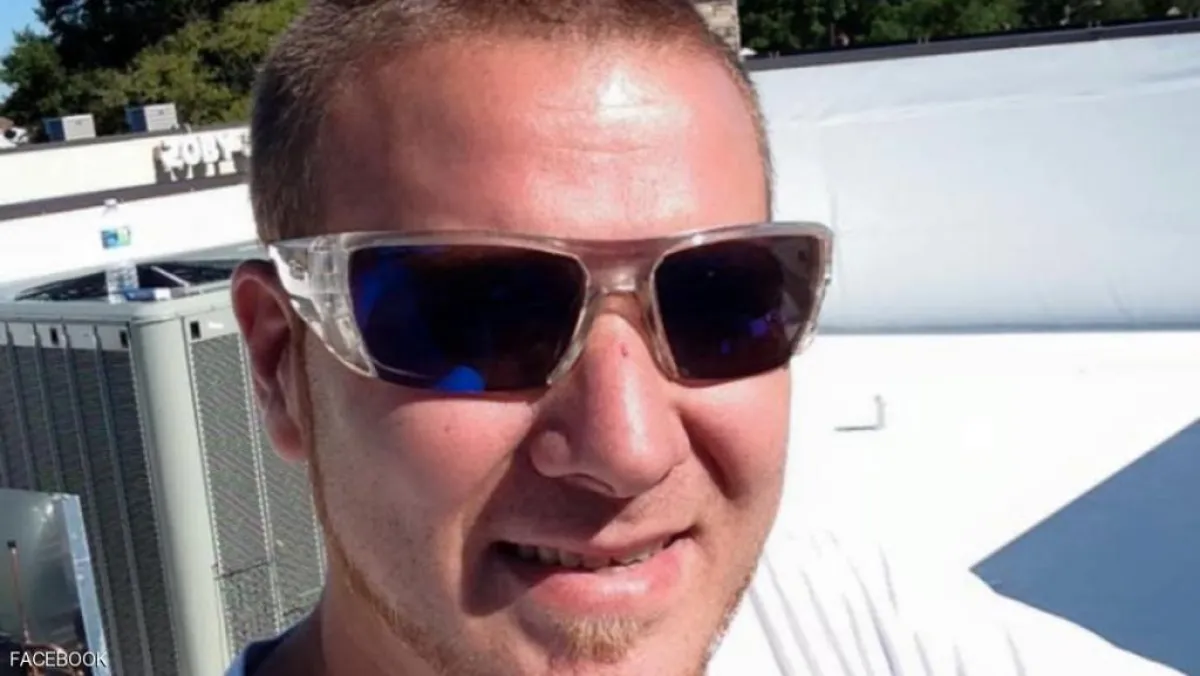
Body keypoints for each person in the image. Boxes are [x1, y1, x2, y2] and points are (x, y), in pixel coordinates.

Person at [228, 1, 1182, 674]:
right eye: (482, 315)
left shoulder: (851, 626)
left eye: (718, 300)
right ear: (279, 366)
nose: (629, 449)